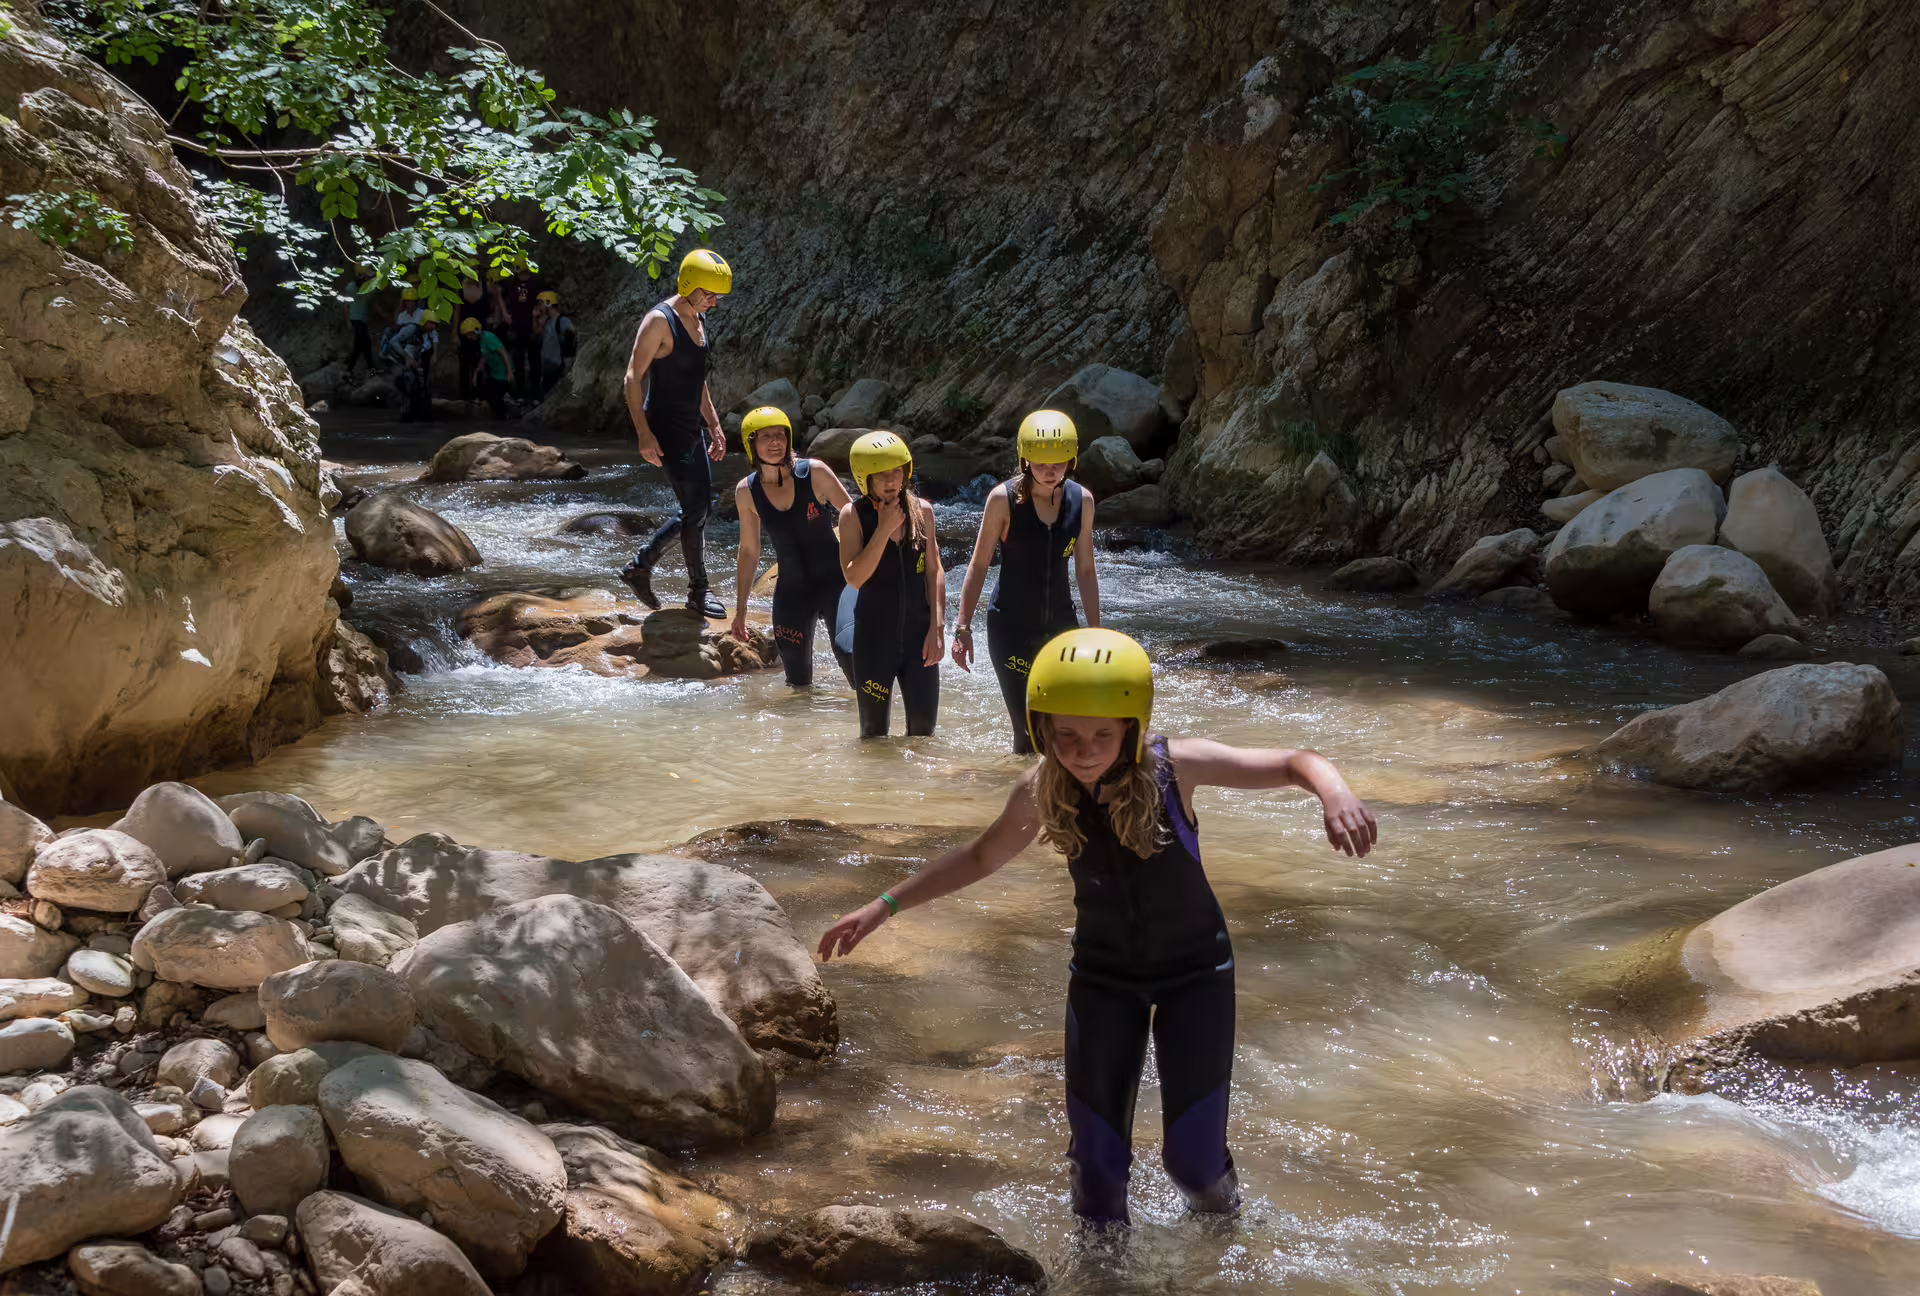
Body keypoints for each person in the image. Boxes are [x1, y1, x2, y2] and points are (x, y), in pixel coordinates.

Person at [818, 627, 1379, 1227]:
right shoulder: (1040, 790)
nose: (1083, 750)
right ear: (1042, 730)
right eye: (1066, 735)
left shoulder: (1173, 769)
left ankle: (1222, 1250)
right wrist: (884, 906)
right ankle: (1101, 1278)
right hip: (1103, 980)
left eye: (1102, 735)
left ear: (1131, 728)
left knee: (1192, 1166)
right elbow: (980, 858)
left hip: (1196, 977)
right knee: (1097, 1171)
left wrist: (1335, 792)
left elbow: (1295, 763)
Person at [953, 410, 1098, 753]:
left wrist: (1096, 631)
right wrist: (962, 628)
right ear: (1024, 459)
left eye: (1059, 463)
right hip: (1011, 630)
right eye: (1041, 462)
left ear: (1071, 459)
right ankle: (1024, 801)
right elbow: (978, 565)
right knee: (1030, 736)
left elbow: (1086, 570)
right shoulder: (1003, 501)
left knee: (1067, 728)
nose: (1051, 471)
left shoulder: (1083, 501)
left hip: (1062, 626)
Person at [619, 249, 732, 618]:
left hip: (691, 427)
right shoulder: (659, 321)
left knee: (702, 506)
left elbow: (696, 380)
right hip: (665, 428)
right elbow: (632, 378)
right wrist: (643, 434)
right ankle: (694, 588)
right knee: (697, 506)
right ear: (688, 285)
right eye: (710, 294)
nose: (714, 303)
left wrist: (713, 424)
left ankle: (643, 568)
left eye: (717, 296)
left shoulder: (698, 318)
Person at [731, 406, 856, 689]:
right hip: (792, 591)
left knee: (853, 660)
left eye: (780, 435)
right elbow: (749, 550)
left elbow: (855, 519)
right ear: (751, 444)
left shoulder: (815, 472)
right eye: (766, 436)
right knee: (797, 682)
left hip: (836, 585)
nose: (775, 442)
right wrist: (741, 610)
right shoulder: (745, 491)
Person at [838, 431, 944, 737]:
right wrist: (883, 529)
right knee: (873, 737)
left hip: (918, 640)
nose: (891, 480)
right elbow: (854, 578)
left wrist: (937, 629)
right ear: (864, 477)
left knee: (924, 734)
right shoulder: (852, 516)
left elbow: (935, 571)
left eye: (897, 471)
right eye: (881, 474)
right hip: (874, 643)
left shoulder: (922, 511)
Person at [464, 315, 511, 419]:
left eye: (470, 335)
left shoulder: (489, 338)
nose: (470, 338)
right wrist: (476, 373)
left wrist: (509, 371)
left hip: (502, 371)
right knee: (491, 394)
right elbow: (484, 357)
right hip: (494, 371)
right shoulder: (481, 340)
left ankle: (504, 418)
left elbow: (503, 353)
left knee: (498, 397)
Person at [536, 290, 575, 396]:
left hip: (556, 362)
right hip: (547, 361)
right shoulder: (548, 320)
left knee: (550, 391)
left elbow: (572, 332)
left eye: (541, 304)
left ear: (548, 303)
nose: (539, 307)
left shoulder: (562, 320)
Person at [343, 265, 374, 375]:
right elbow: (346, 305)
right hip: (355, 319)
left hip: (363, 320)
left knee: (363, 345)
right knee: (363, 344)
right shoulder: (351, 287)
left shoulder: (368, 287)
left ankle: (350, 370)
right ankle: (368, 368)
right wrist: (347, 321)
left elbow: (372, 303)